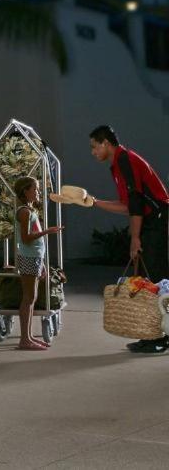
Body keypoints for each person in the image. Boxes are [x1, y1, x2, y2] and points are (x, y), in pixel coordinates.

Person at [88, 125, 169, 354]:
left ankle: (162, 337)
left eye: (94, 147)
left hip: (158, 220)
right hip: (150, 220)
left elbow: (135, 203)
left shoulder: (125, 159)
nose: (93, 152)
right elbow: (127, 206)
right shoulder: (117, 165)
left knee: (158, 279)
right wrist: (93, 202)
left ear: (106, 143)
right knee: (146, 281)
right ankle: (150, 333)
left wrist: (134, 237)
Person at [13, 176, 63, 351]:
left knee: (31, 297)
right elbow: (26, 239)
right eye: (35, 189)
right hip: (28, 258)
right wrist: (47, 231)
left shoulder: (29, 210)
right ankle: (24, 339)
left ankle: (28, 336)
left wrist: (41, 263)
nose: (38, 192)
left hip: (33, 258)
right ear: (26, 191)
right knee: (28, 297)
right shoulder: (25, 212)